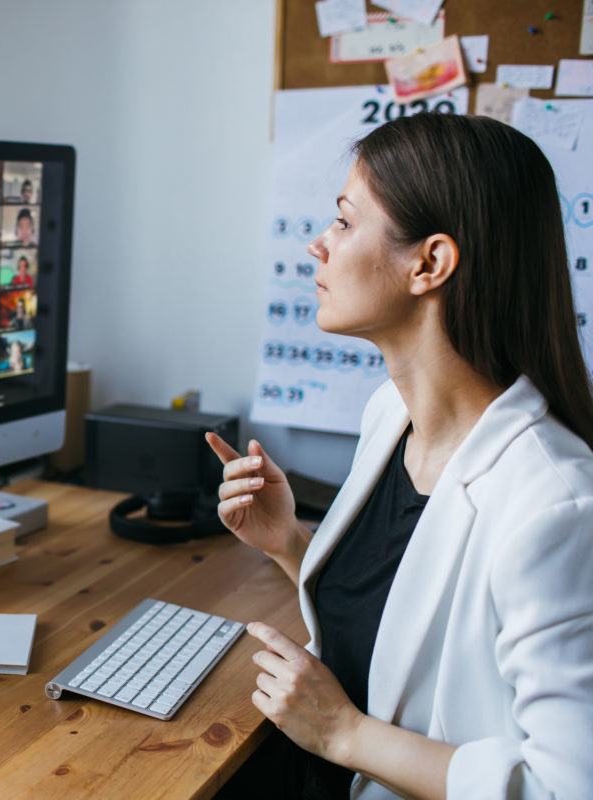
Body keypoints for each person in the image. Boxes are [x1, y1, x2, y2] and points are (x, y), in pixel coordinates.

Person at [206, 112, 593, 800]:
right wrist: (289, 542)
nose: (318, 246)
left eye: (346, 223)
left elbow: (565, 788)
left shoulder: (555, 507)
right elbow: (401, 614)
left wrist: (343, 734)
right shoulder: (390, 416)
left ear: (430, 263)